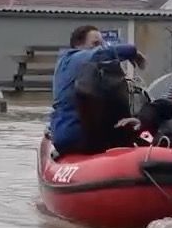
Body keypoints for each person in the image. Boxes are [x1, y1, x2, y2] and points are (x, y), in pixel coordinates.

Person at [49, 25, 147, 155]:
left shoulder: (72, 65)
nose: (100, 47)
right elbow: (101, 53)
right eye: (95, 44)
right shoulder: (74, 59)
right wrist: (132, 51)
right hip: (74, 135)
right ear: (78, 46)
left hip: (69, 132)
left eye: (102, 44)